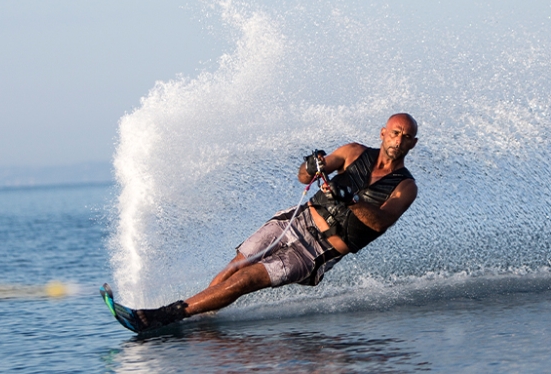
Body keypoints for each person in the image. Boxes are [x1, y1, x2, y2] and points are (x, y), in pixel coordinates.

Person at [132, 113, 419, 331]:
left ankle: (168, 314)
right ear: (383, 133)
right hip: (294, 221)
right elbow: (305, 177)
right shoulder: (353, 152)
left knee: (247, 279)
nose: (398, 140)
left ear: (412, 143)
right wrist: (311, 166)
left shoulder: (405, 186)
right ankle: (201, 315)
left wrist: (352, 201)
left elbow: (381, 222)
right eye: (395, 132)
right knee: (237, 266)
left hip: (317, 252)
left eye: (406, 137)